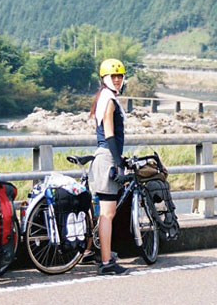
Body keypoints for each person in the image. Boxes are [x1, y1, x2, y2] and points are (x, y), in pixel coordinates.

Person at [87, 58, 130, 276]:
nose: (117, 80)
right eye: (113, 76)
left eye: (120, 76)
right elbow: (110, 133)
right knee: (107, 213)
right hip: (107, 158)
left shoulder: (103, 97)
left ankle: (102, 253)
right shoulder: (110, 101)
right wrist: (119, 163)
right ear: (104, 78)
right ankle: (106, 262)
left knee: (104, 211)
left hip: (102, 157)